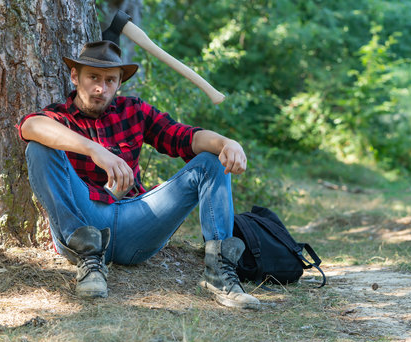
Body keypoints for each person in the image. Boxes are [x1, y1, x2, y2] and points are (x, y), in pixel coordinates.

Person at [17, 40, 260, 310]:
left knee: (211, 162)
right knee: (40, 148)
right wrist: (95, 150)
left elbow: (185, 137)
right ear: (75, 76)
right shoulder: (59, 117)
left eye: (110, 80)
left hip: (138, 221)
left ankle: (220, 273)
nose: (101, 88)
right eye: (93, 78)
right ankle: (89, 261)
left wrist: (227, 143)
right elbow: (30, 126)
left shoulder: (134, 110)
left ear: (120, 83)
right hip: (86, 220)